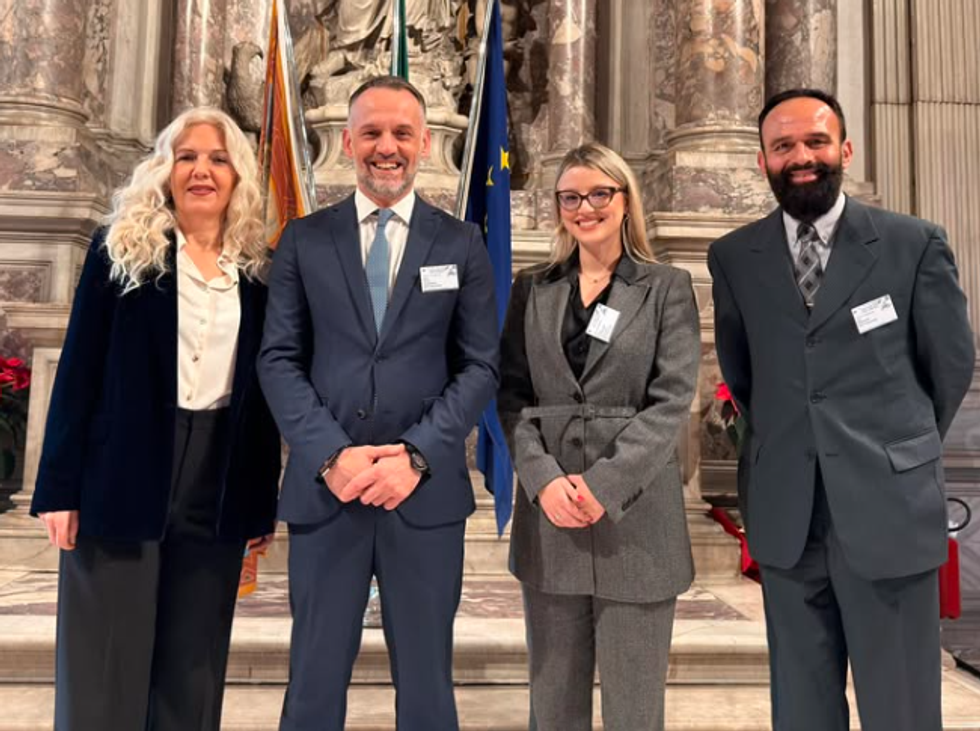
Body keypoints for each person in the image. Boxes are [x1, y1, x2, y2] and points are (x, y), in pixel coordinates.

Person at [708, 88, 975, 731]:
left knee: (902, 709)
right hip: (787, 515)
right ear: (763, 161)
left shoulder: (912, 244)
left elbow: (949, 367)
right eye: (783, 146)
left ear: (846, 150)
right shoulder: (734, 257)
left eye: (816, 141)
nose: (801, 157)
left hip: (888, 508)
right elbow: (744, 375)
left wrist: (897, 451)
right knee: (801, 710)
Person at [258, 75, 498, 731]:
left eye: (400, 133)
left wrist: (415, 457)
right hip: (327, 490)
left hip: (424, 495)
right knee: (312, 680)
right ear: (347, 142)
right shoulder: (303, 239)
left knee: (426, 686)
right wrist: (330, 455)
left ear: (424, 143)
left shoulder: (461, 243)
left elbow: (479, 365)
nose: (386, 147)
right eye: (371, 132)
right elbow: (278, 359)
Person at [30, 107, 281, 731]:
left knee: (192, 668)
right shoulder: (122, 248)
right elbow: (79, 371)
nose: (202, 170)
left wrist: (258, 503)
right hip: (123, 469)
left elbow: (261, 400)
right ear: (165, 170)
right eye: (187, 157)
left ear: (238, 176)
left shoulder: (257, 272)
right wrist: (59, 489)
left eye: (218, 159)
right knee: (105, 662)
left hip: (217, 477)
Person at [498, 142, 701, 731]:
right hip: (552, 518)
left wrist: (603, 484)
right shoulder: (532, 288)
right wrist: (543, 480)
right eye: (570, 197)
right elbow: (511, 397)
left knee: (634, 710)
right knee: (553, 706)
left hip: (635, 522)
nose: (584, 208)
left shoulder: (666, 287)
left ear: (624, 199)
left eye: (598, 194)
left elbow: (671, 400)